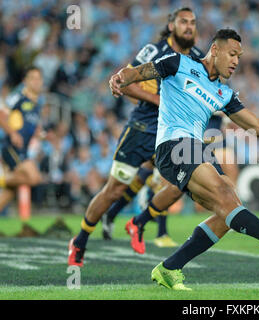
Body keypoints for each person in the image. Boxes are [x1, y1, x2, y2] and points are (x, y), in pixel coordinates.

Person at [109, 28, 259, 290]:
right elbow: (138, 72)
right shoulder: (178, 63)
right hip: (173, 145)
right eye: (232, 54)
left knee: (228, 210)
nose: (236, 61)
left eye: (240, 56)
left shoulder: (224, 94)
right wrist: (121, 77)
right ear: (215, 49)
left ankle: (169, 268)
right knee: (226, 196)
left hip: (197, 148)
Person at [67, 7, 203, 267]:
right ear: (171, 25)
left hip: (173, 131)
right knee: (114, 188)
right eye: (183, 21)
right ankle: (80, 240)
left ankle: (138, 223)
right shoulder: (154, 50)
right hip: (143, 127)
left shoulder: (197, 57)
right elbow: (127, 81)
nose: (189, 26)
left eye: (193, 23)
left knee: (181, 181)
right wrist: (158, 99)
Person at [0, 67, 44, 212]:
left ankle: (6, 181)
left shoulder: (37, 103)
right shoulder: (18, 97)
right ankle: (2, 179)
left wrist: (40, 134)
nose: (37, 82)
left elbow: (31, 125)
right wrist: (13, 133)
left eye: (39, 78)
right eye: (33, 78)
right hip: (12, 146)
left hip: (23, 148)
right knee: (34, 177)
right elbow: (1, 115)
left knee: (10, 191)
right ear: (25, 81)